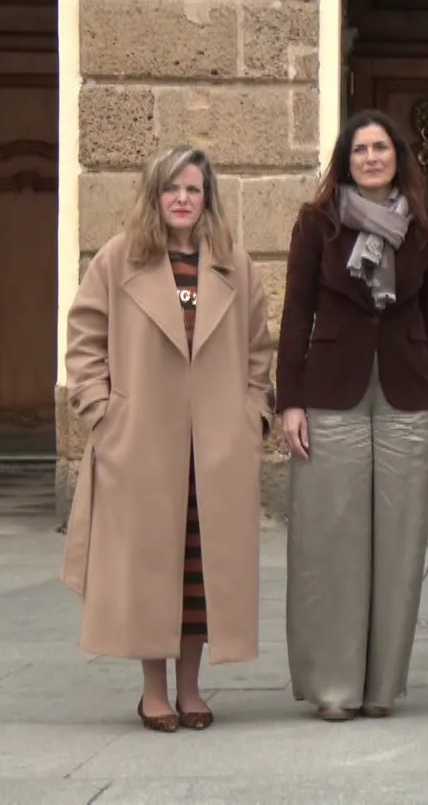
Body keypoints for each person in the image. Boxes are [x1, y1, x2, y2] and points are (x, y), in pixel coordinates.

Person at [61, 145, 276, 732]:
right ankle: (153, 690)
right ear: (154, 196)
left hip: (216, 448)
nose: (182, 199)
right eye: (171, 189)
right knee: (148, 569)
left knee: (199, 570)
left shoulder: (236, 265)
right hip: (142, 445)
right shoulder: (117, 260)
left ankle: (191, 688)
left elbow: (260, 350)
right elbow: (84, 343)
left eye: (193, 189)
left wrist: (253, 416)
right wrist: (103, 416)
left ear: (208, 199)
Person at [278, 109, 428, 721]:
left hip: (408, 392)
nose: (373, 157)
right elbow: (295, 313)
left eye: (382, 147)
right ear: (346, 160)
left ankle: (381, 688)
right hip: (332, 391)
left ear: (398, 157)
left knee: (400, 542)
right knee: (331, 537)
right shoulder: (317, 224)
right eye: (361, 150)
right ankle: (335, 688)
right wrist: (290, 401)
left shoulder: (427, 226)